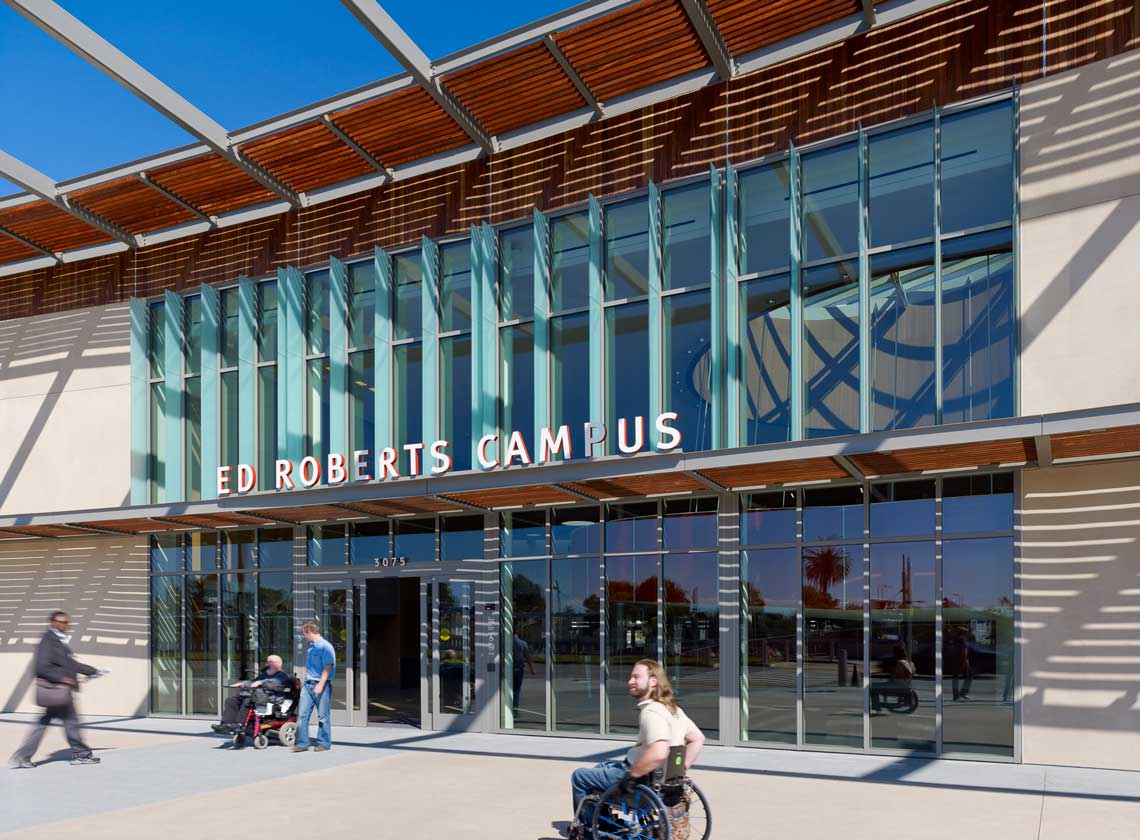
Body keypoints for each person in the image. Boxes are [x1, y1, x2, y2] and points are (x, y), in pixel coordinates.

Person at [570, 660, 704, 835]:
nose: (630, 681)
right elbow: (697, 738)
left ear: (653, 681)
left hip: (639, 776)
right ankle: (605, 820)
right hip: (662, 780)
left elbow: (659, 750)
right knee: (600, 768)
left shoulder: (652, 711)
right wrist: (679, 771)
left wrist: (631, 776)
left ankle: (588, 830)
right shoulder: (674, 710)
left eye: (636, 677)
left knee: (579, 777)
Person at [8, 611, 107, 769]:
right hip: (57, 690)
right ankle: (81, 754)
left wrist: (93, 671)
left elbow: (71, 664)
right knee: (70, 721)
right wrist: (62, 678)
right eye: (61, 622)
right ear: (51, 623)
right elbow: (41, 667)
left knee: (47, 723)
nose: (64, 625)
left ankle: (23, 757)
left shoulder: (57, 640)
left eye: (66, 622)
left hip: (58, 691)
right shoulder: (48, 640)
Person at [212, 654, 293, 734]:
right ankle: (225, 724)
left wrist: (261, 682)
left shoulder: (282, 675)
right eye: (267, 662)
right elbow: (253, 681)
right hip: (258, 696)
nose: (267, 664)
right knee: (231, 700)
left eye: (270, 662)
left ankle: (239, 724)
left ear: (278, 663)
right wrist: (242, 683)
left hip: (271, 698)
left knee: (247, 701)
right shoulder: (264, 675)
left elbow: (275, 683)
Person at [293, 621, 336, 752]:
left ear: (309, 632)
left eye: (304, 634)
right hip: (308, 684)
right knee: (302, 715)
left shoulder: (325, 646)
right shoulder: (311, 647)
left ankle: (324, 743)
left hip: (321, 685)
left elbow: (328, 667)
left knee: (323, 716)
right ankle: (302, 743)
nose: (304, 637)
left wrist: (321, 684)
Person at [512, 635, 536, 718]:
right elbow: (528, 657)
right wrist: (532, 669)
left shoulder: (506, 643)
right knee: (517, 690)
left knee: (509, 690)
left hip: (509, 670)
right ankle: (515, 710)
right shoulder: (523, 643)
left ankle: (510, 708)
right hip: (519, 669)